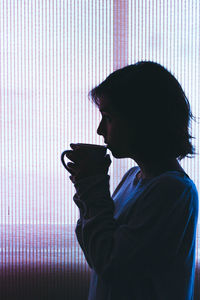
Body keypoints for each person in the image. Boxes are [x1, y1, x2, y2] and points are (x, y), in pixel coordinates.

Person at [64, 61, 199, 299]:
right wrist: (86, 186)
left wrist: (91, 186)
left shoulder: (173, 191)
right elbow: (95, 250)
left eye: (108, 117)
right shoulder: (132, 178)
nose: (99, 130)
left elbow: (110, 266)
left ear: (142, 120)